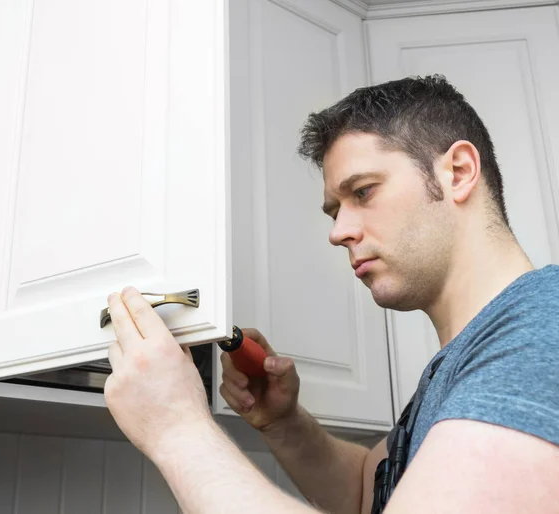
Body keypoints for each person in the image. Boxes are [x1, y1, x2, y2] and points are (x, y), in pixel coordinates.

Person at [103, 75, 559, 514]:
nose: (338, 232)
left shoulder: (542, 329)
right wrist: (286, 423)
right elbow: (369, 492)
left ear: (458, 172)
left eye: (363, 192)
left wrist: (176, 427)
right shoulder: (476, 355)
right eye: (334, 211)